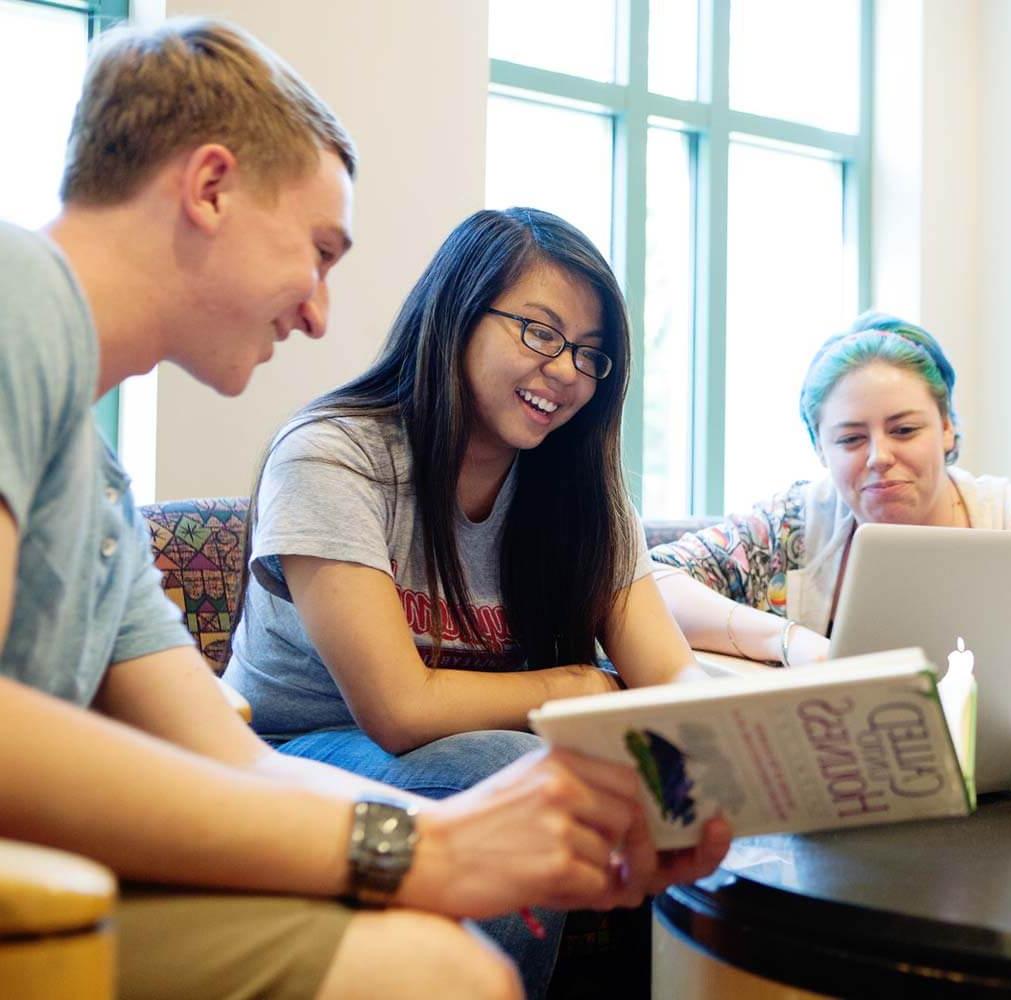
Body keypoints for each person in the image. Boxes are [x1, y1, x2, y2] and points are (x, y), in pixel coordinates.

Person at [0, 19, 726, 1000]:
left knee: (452, 964)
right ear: (210, 187)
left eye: (587, 355)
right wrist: (415, 849)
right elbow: (346, 732)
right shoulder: (20, 292)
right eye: (319, 250)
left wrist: (450, 839)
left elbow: (227, 759)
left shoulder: (102, 493)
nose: (318, 313)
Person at [221, 206, 713, 985]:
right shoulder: (333, 456)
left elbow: (670, 677)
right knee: (516, 769)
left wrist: (745, 741)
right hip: (289, 753)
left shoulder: (581, 488)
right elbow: (400, 709)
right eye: (541, 333)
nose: (567, 372)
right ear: (458, 314)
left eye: (591, 355)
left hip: (479, 747)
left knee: (680, 779)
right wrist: (578, 686)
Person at [649, 312, 1011, 745]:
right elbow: (641, 584)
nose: (879, 458)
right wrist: (790, 642)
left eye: (904, 430)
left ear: (947, 427)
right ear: (819, 450)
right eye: (850, 439)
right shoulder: (788, 529)